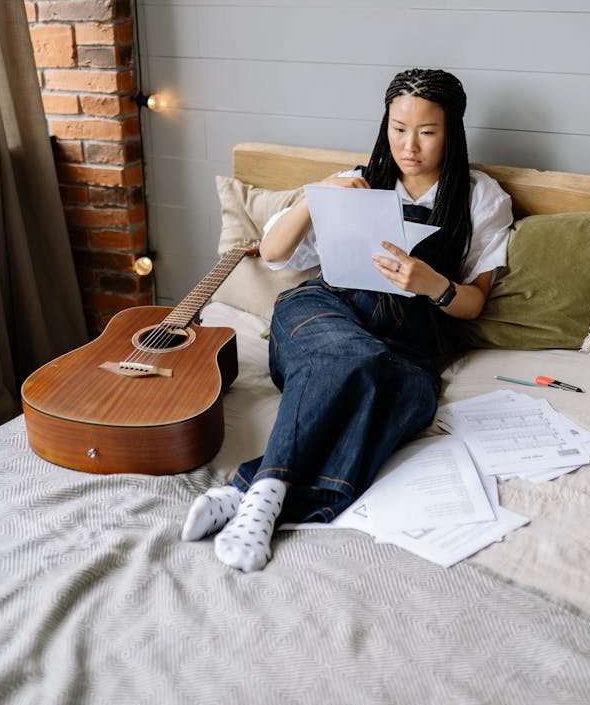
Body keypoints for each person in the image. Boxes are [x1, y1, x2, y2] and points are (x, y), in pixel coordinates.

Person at [182, 68, 513, 571]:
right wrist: (319, 195)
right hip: (322, 313)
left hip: (410, 344)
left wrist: (431, 283)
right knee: (352, 355)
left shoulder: (479, 196)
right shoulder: (357, 181)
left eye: (427, 132)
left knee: (403, 402)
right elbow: (272, 250)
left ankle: (245, 494)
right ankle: (268, 492)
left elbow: (473, 303)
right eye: (398, 129)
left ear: (452, 132)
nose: (409, 146)